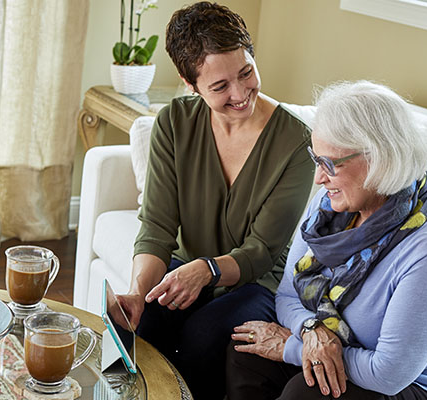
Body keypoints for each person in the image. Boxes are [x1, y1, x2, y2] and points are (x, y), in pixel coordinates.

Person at [226, 81, 427, 400]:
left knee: (308, 392)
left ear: (380, 159)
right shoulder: (330, 206)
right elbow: (289, 293)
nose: (319, 178)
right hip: (355, 356)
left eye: (330, 163)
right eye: (317, 160)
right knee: (246, 351)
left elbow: (387, 376)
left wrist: (291, 348)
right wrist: (312, 331)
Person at [116, 2, 314, 399]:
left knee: (202, 333)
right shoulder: (174, 123)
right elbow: (156, 227)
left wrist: (206, 270)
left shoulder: (295, 143)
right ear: (191, 84)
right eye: (220, 86)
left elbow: (262, 251)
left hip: (257, 283)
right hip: (187, 271)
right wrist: (138, 291)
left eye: (246, 73)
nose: (241, 94)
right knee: (134, 325)